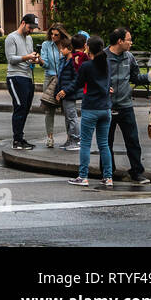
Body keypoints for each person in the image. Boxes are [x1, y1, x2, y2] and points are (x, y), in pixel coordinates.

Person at [61, 34, 113, 188]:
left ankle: (83, 176)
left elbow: (77, 83)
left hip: (91, 108)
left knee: (85, 144)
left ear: (89, 48)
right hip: (105, 108)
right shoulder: (107, 64)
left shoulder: (87, 66)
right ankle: (108, 177)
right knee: (104, 144)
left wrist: (64, 91)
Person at [106, 27, 151, 185]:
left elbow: (135, 77)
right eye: (129, 39)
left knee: (133, 140)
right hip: (106, 107)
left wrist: (149, 77)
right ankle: (107, 172)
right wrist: (103, 88)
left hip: (126, 105)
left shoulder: (129, 57)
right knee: (106, 141)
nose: (131, 43)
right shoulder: (103, 57)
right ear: (120, 41)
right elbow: (92, 78)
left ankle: (137, 172)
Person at [5, 14, 43, 150]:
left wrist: (34, 59)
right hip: (15, 77)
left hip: (28, 77)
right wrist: (27, 56)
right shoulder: (11, 38)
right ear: (23, 23)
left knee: (26, 108)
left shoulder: (29, 39)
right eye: (30, 27)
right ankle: (17, 140)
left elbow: (27, 57)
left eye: (33, 28)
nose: (31, 30)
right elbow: (11, 59)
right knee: (19, 107)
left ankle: (21, 138)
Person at [56, 33, 86, 151]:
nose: (60, 50)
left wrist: (65, 90)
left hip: (69, 92)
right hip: (64, 92)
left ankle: (76, 139)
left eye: (62, 48)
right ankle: (70, 139)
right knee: (68, 117)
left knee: (72, 116)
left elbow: (76, 79)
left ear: (69, 49)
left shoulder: (74, 61)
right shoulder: (64, 60)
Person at [39, 26, 67, 148]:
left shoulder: (66, 45)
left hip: (63, 79)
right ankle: (50, 137)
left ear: (61, 35)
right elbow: (46, 64)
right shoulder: (46, 45)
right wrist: (40, 61)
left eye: (56, 35)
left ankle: (71, 137)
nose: (53, 37)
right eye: (52, 34)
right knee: (49, 109)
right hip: (50, 79)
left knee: (67, 109)